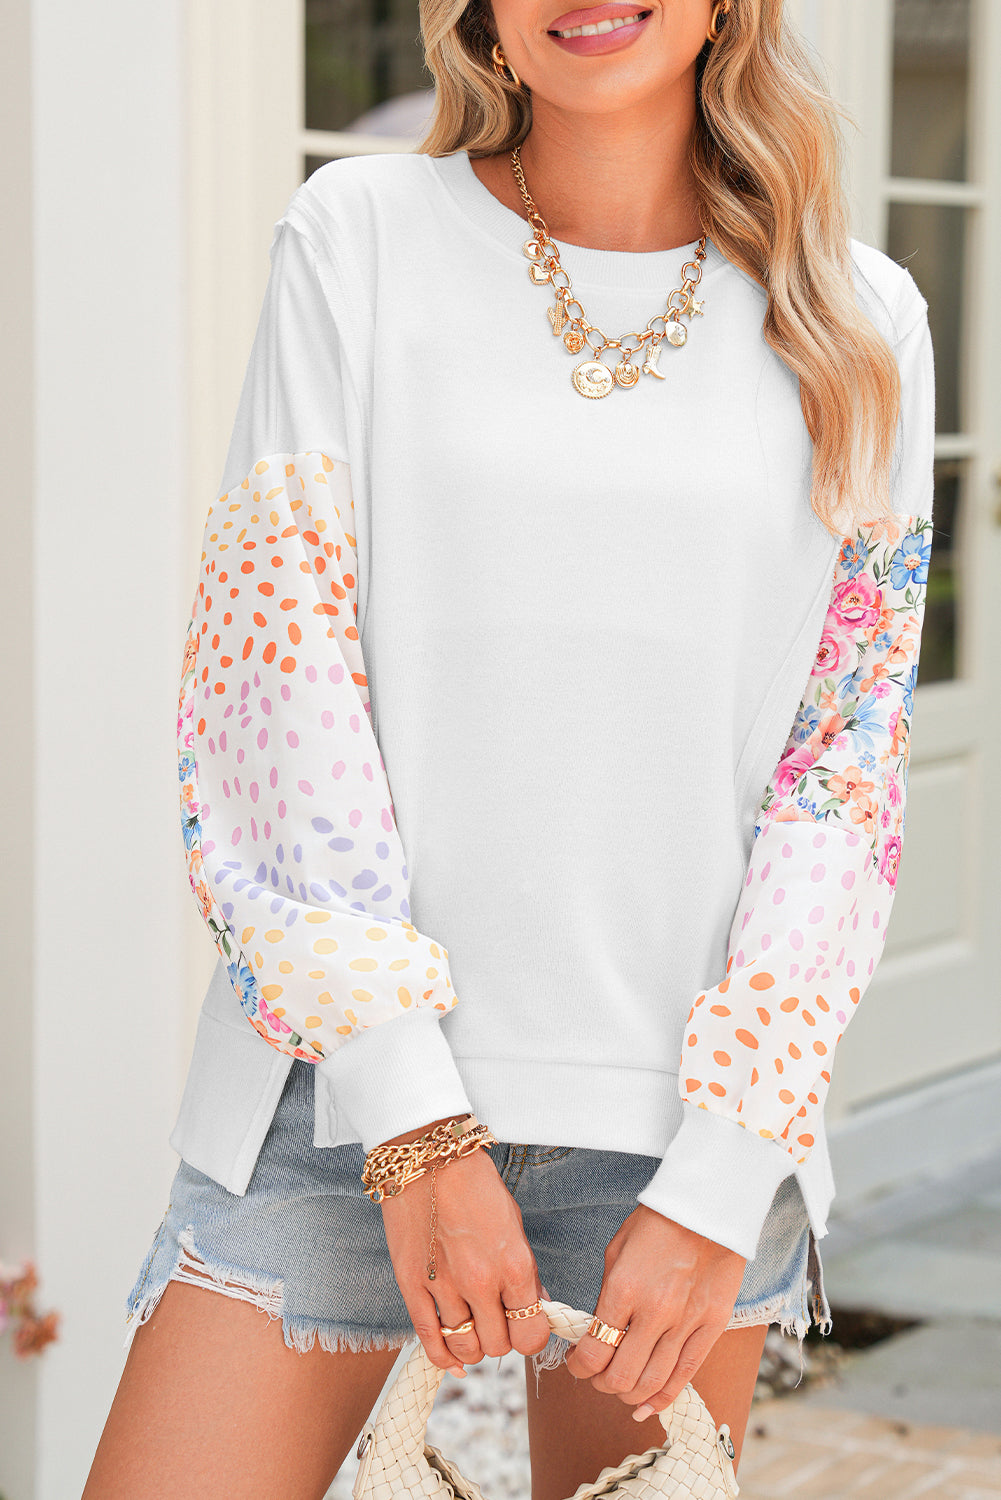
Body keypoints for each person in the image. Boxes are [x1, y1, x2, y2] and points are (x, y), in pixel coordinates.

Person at [84, 0, 935, 1495]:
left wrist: (722, 1176)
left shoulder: (859, 319)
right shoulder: (358, 237)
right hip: (341, 1106)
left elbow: (842, 774)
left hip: (681, 1139)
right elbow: (278, 688)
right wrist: (415, 1122)